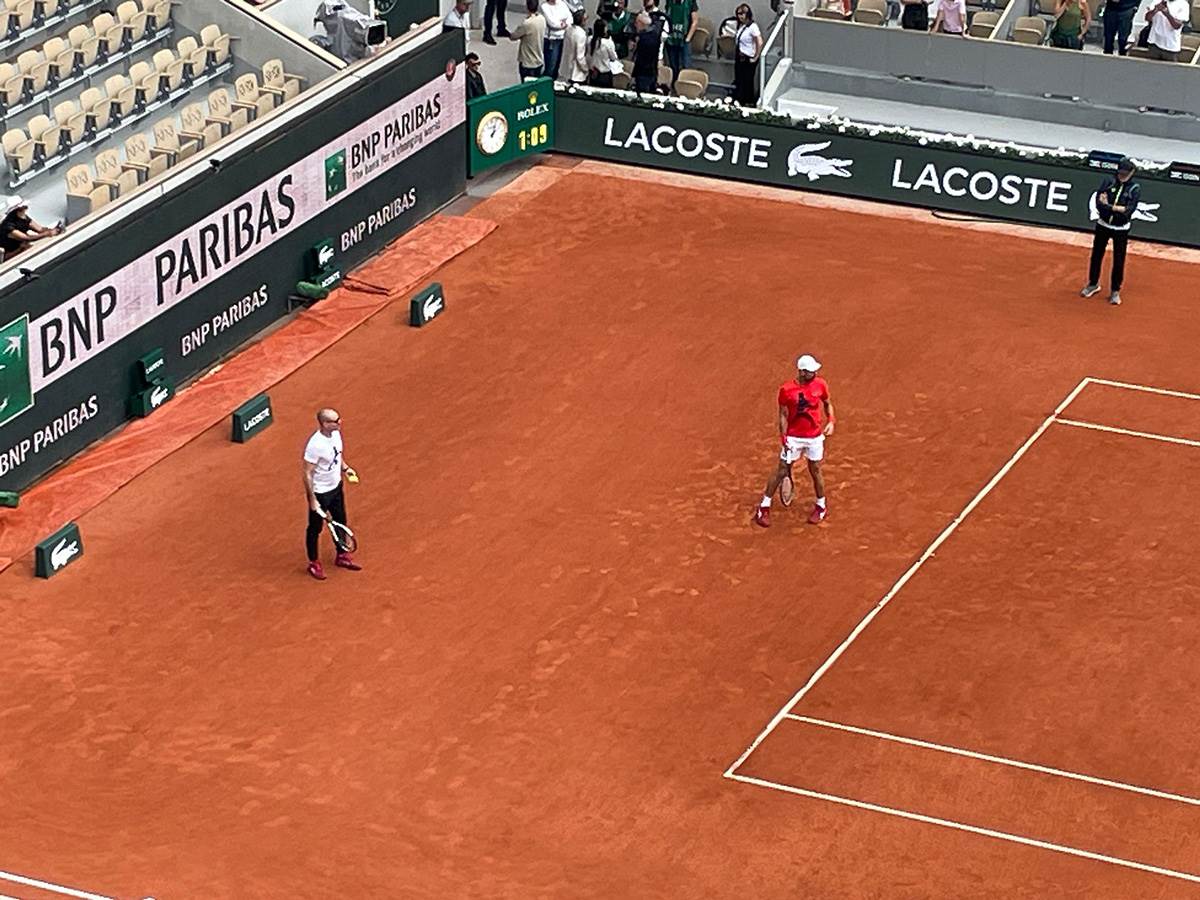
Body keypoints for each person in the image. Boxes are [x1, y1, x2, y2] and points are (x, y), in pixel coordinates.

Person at [753, 355, 835, 528]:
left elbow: (827, 403)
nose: (815, 373)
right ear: (802, 372)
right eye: (811, 371)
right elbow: (782, 414)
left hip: (814, 437)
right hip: (793, 437)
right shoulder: (786, 390)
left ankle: (821, 505)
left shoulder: (821, 384)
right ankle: (764, 506)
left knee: (815, 469)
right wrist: (784, 437)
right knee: (782, 469)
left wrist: (831, 421)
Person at [302, 408, 362, 580]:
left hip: (336, 487)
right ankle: (314, 562)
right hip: (320, 493)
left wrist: (346, 468)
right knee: (315, 528)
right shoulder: (315, 445)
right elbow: (307, 473)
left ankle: (342, 554)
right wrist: (312, 500)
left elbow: (337, 456)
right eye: (335, 421)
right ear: (325, 424)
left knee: (340, 520)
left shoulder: (335, 435)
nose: (339, 423)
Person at [1081, 156, 1140, 307]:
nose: (1122, 176)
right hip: (1103, 225)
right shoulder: (1108, 182)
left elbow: (1128, 211)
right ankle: (1093, 284)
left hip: (1121, 229)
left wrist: (1111, 206)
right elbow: (1099, 204)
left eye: (1125, 173)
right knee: (1096, 255)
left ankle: (1115, 291)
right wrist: (1116, 208)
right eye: (1120, 172)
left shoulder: (1134, 189)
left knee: (1118, 260)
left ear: (1132, 173)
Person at [732, 4, 762, 105]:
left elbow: (759, 42)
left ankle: (748, 101)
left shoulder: (753, 27)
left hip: (748, 57)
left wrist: (756, 56)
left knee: (747, 81)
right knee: (740, 79)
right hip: (740, 56)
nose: (740, 16)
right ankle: (740, 99)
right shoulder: (742, 26)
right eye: (738, 14)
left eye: (742, 14)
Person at [664, 0, 698, 85]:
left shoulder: (690, 2)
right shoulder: (669, 2)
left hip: (684, 39)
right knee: (673, 67)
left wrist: (688, 39)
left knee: (685, 66)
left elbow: (695, 22)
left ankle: (686, 89)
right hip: (671, 39)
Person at [510, 0, 546, 79]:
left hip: (528, 61)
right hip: (539, 59)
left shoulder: (527, 23)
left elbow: (513, 36)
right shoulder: (542, 19)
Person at [540, 0, 573, 78]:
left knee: (557, 66)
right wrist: (563, 23)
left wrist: (563, 23)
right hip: (552, 39)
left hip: (562, 37)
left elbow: (570, 18)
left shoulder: (561, 3)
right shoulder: (544, 6)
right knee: (551, 66)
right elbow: (553, 23)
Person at [631, 11, 662, 92]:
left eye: (637, 23)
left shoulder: (645, 39)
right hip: (652, 73)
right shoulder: (655, 36)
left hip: (644, 74)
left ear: (641, 24)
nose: (635, 25)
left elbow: (641, 59)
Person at [589, 18, 619, 85]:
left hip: (592, 72)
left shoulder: (589, 39)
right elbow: (613, 57)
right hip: (604, 73)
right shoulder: (607, 43)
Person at [564, 8, 590, 83]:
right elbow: (580, 57)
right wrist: (586, 68)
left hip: (566, 70)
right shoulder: (581, 34)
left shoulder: (568, 29)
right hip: (577, 74)